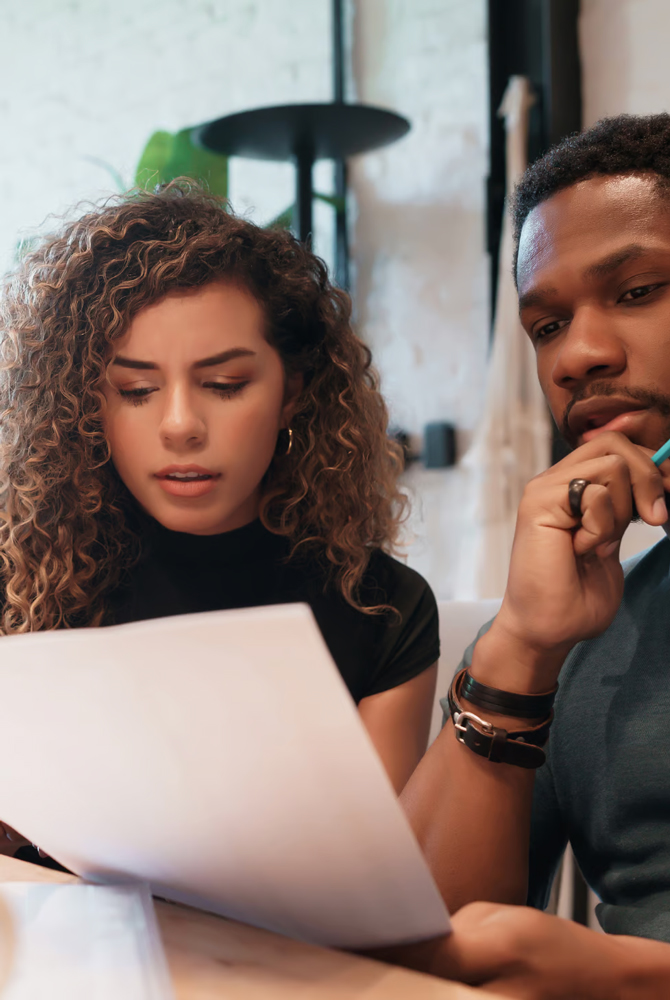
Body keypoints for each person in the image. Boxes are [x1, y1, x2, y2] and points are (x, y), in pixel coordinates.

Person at [397, 114, 670, 996]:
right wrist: (523, 646)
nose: (579, 354)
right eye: (545, 326)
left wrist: (620, 977)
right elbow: (410, 947)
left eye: (638, 291)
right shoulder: (575, 620)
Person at [0, 184, 438, 859]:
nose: (179, 426)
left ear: (291, 393)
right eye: (136, 391)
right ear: (89, 404)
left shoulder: (380, 609)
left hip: (278, 960)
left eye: (225, 385)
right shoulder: (23, 576)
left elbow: (375, 877)